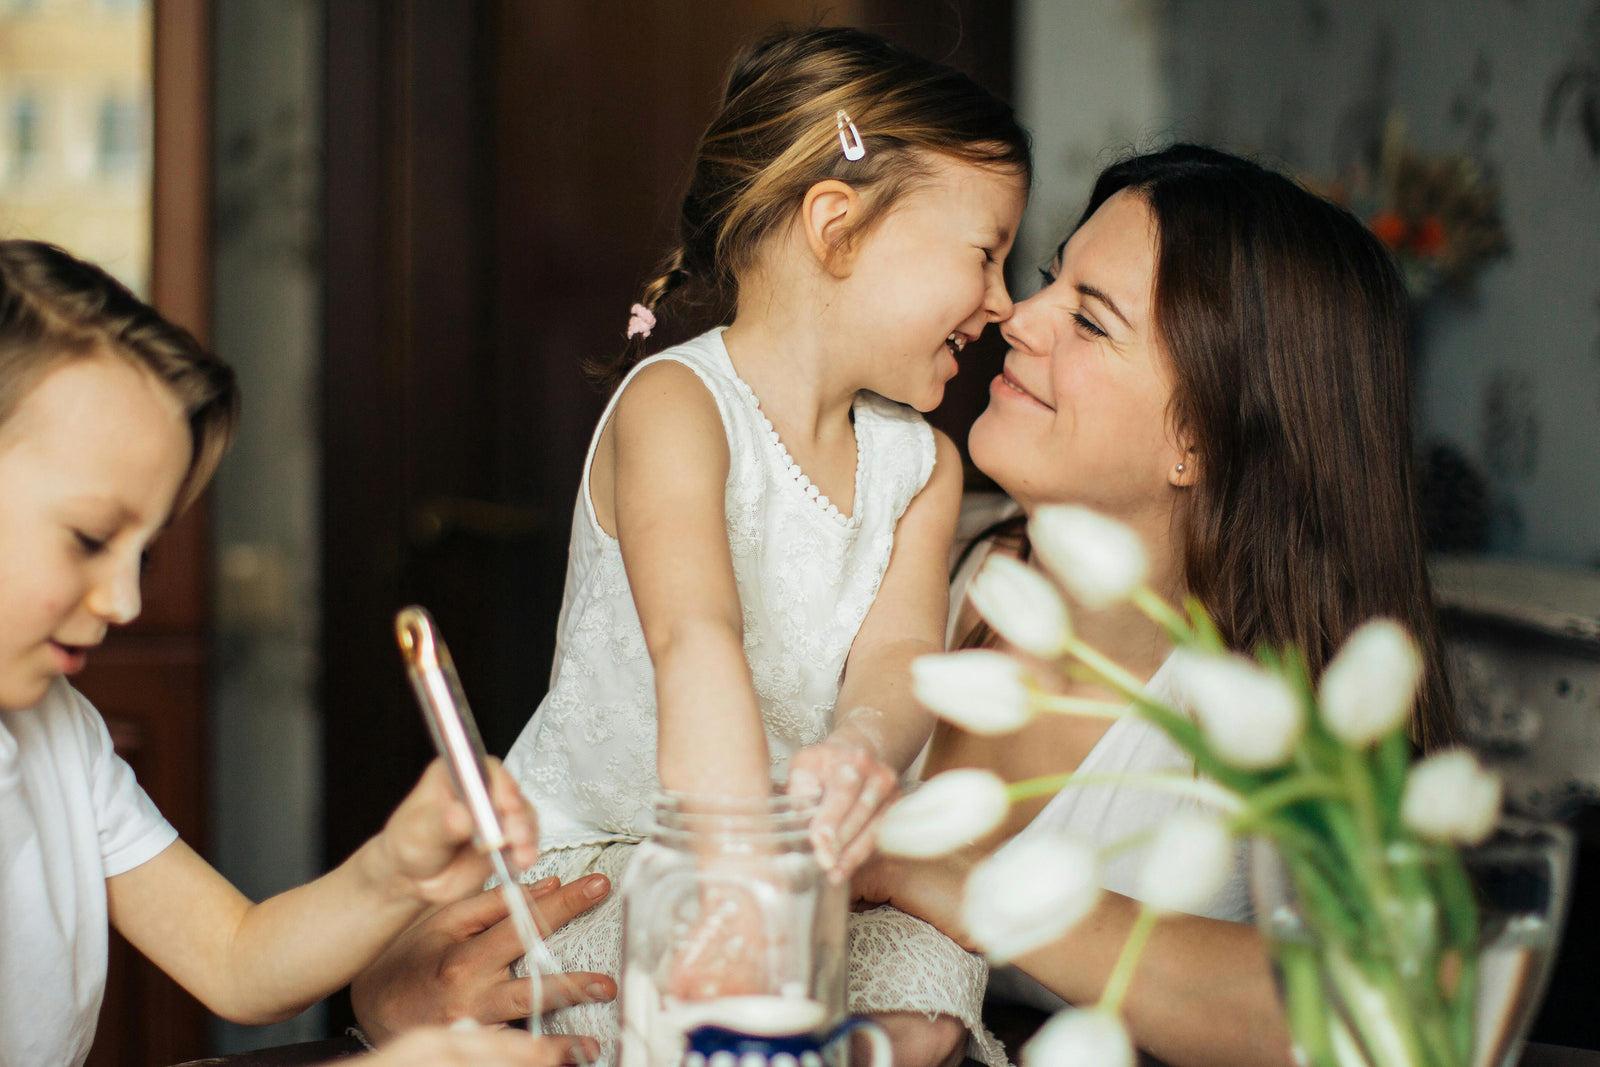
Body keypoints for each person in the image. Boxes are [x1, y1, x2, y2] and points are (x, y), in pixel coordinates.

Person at [491, 25, 1030, 1067]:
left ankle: (834, 1036)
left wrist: (861, 750)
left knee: (932, 960)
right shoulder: (678, 405)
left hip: (804, 872)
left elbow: (896, 658)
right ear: (836, 226)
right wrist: (739, 890)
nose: (1004, 303)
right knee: (663, 973)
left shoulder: (921, 464)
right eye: (986, 253)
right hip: (612, 859)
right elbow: (696, 639)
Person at [854, 144, 1456, 1067]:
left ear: (1202, 439)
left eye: (1090, 321)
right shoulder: (904, 549)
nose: (1016, 314)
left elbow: (1397, 1006)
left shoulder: (1277, 712)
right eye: (1051, 279)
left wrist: (973, 885)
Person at [0, 239, 590, 1067]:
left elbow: (236, 960)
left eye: (143, 550)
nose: (125, 601)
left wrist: (396, 869)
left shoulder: (59, 729)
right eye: (90, 537)